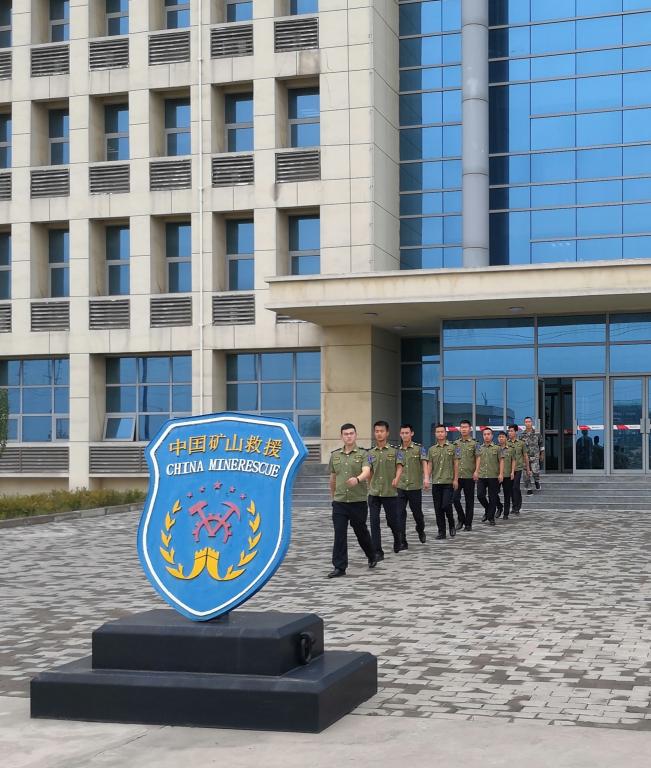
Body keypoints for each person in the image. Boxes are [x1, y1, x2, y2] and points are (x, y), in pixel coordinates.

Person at [327, 423, 378, 578]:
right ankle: (339, 567)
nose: (349, 436)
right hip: (340, 502)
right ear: (341, 436)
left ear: (356, 435)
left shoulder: (364, 454)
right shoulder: (335, 455)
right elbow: (333, 478)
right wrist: (333, 497)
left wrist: (357, 479)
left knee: (360, 531)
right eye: (346, 434)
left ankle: (371, 554)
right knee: (339, 534)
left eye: (351, 433)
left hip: (358, 501)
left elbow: (366, 471)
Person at [367, 421, 404, 558]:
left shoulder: (396, 451)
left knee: (392, 521)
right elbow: (369, 471)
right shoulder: (370, 453)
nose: (379, 434)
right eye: (376, 431)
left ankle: (397, 537)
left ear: (387, 433)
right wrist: (369, 484)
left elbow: (400, 466)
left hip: (390, 492)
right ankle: (377, 551)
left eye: (381, 431)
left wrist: (397, 478)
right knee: (374, 522)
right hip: (374, 492)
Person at [423, 424, 458, 540]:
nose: (440, 434)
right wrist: (427, 479)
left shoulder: (453, 447)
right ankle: (441, 532)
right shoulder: (432, 449)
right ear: (435, 434)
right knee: (438, 509)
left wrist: (455, 479)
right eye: (438, 432)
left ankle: (451, 523)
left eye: (442, 432)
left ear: (446, 433)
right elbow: (430, 465)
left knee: (446, 505)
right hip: (436, 482)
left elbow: (456, 464)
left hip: (448, 482)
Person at [396, 424, 428, 547]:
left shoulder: (419, 448)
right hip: (401, 486)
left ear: (412, 433)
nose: (404, 435)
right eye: (402, 433)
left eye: (407, 433)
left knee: (417, 514)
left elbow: (424, 463)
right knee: (400, 514)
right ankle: (402, 541)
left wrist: (426, 478)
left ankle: (420, 529)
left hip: (414, 486)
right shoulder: (396, 451)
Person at [475, 427, 504, 526]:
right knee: (480, 495)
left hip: (493, 476)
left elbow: (501, 461)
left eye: (488, 434)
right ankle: (488, 509)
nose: (486, 436)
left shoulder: (497, 448)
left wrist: (501, 474)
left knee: (492, 497)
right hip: (482, 475)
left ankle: (491, 517)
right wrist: (476, 472)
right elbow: (477, 460)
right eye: (484, 434)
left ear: (492, 436)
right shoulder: (479, 447)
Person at [453, 419, 477, 531]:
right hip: (457, 476)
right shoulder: (455, 443)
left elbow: (478, 458)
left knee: (469, 501)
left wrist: (476, 471)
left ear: (470, 429)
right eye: (462, 427)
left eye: (466, 427)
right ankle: (461, 518)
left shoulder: (475, 443)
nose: (463, 429)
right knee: (454, 498)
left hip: (469, 476)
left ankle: (468, 524)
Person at [507, 424, 529, 515]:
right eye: (509, 431)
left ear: (516, 432)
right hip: (508, 469)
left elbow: (525, 456)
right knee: (511, 488)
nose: (510, 433)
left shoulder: (521, 443)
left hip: (518, 468)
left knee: (515, 487)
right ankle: (514, 506)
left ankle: (517, 507)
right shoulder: (506, 443)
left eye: (511, 431)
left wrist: (528, 469)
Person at [522, 416, 544, 495]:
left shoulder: (537, 433)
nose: (528, 423)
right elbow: (520, 446)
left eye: (529, 422)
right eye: (526, 422)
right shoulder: (522, 435)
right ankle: (529, 489)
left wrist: (542, 454)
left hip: (535, 456)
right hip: (525, 457)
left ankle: (536, 481)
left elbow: (541, 444)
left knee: (535, 471)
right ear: (524, 423)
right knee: (526, 474)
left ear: (532, 423)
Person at [496, 431, 516, 520]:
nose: (501, 438)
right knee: (493, 493)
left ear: (506, 438)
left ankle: (506, 513)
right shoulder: (495, 448)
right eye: (499, 437)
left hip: (507, 475)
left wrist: (512, 472)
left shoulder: (511, 449)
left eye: (502, 437)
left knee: (507, 495)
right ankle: (499, 507)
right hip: (497, 475)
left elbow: (513, 460)